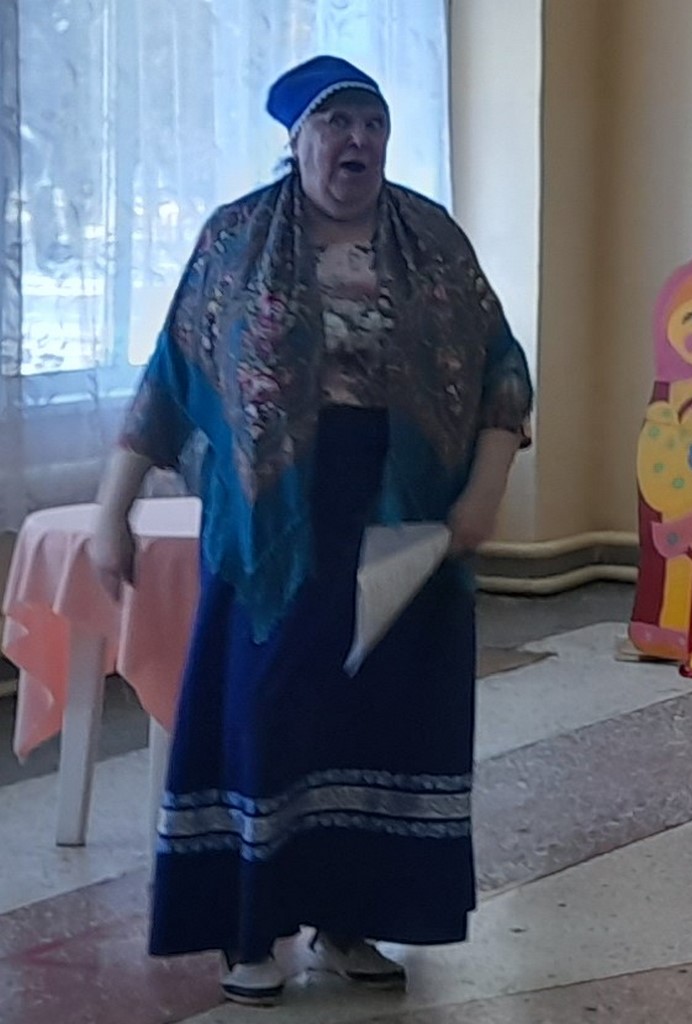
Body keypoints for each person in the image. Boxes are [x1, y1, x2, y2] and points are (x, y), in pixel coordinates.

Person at [87, 56, 534, 1006]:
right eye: (336, 123)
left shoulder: (432, 239)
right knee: (271, 712)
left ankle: (349, 922)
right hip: (274, 526)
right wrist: (109, 512)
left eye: (372, 123)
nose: (357, 141)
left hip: (406, 515)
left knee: (382, 717)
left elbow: (502, 369)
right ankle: (251, 928)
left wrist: (484, 491)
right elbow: (171, 379)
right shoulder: (235, 238)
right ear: (295, 140)